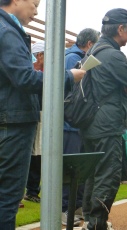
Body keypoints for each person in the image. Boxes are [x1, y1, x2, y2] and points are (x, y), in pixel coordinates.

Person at [0, 0, 85, 228]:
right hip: (13, 122)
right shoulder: (7, 31)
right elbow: (24, 78)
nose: (37, 11)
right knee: (8, 197)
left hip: (8, 118)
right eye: (35, 3)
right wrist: (68, 76)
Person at [80, 8, 127, 230]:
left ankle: (90, 220)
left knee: (93, 174)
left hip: (90, 123)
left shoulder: (93, 50)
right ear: (121, 28)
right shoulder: (113, 54)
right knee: (109, 174)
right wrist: (126, 86)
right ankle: (97, 223)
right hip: (107, 125)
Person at [62, 28, 100, 226]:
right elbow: (70, 91)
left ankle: (75, 206)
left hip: (76, 124)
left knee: (78, 168)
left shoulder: (77, 57)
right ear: (89, 43)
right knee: (68, 168)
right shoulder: (71, 58)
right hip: (69, 123)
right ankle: (63, 209)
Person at [23, 41, 45, 204]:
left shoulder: (41, 72)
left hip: (41, 115)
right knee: (32, 155)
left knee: (38, 154)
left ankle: (32, 190)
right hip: (32, 115)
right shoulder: (30, 72)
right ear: (39, 55)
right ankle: (30, 190)